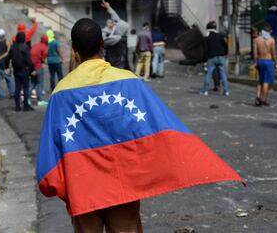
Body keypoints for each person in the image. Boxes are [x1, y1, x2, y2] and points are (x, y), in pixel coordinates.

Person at [36, 18, 243, 233]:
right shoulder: (129, 81)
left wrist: (61, 187)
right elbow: (159, 127)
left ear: (74, 49)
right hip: (123, 184)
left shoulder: (61, 92)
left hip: (83, 188)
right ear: (102, 44)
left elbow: (50, 153)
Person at [253, 23, 277, 106]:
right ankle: (264, 99)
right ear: (270, 31)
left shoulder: (257, 40)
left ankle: (258, 97)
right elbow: (273, 52)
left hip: (260, 61)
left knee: (260, 80)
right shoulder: (271, 40)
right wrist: (276, 63)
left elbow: (255, 53)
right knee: (266, 82)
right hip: (268, 61)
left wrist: (255, 62)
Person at [202, 21, 229, 96]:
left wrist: (204, 60)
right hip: (221, 57)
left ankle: (205, 91)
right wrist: (225, 53)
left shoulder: (207, 37)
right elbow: (225, 45)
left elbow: (205, 49)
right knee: (223, 74)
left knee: (208, 74)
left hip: (211, 58)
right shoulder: (221, 35)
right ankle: (226, 91)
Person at [9, 32, 34, 112]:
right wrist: (32, 69)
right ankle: (26, 106)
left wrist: (6, 66)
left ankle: (17, 106)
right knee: (26, 88)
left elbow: (8, 57)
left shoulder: (13, 47)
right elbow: (29, 60)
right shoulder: (25, 47)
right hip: (24, 69)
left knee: (17, 88)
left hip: (16, 70)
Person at [101, 1, 130, 69]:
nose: (114, 24)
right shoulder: (121, 35)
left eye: (115, 24)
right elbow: (117, 19)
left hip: (114, 63)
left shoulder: (115, 38)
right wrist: (108, 7)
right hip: (119, 61)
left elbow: (102, 40)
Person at [30, 34, 48, 106]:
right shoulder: (44, 47)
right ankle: (40, 100)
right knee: (40, 83)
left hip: (31, 67)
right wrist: (43, 62)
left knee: (32, 83)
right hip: (38, 66)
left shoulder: (35, 45)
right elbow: (44, 58)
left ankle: (27, 99)